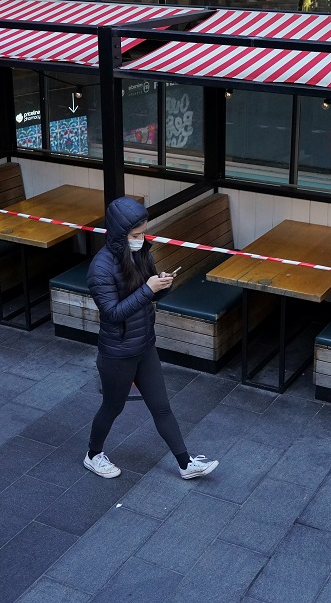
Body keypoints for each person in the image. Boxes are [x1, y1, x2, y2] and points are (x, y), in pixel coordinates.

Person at [83, 196, 218, 480]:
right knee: (112, 406)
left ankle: (185, 464)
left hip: (144, 345)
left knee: (161, 407)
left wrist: (162, 285)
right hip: (117, 353)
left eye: (143, 232)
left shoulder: (142, 252)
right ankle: (93, 455)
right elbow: (112, 313)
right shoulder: (100, 269)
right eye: (135, 234)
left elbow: (149, 293)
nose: (141, 238)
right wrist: (148, 289)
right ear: (120, 235)